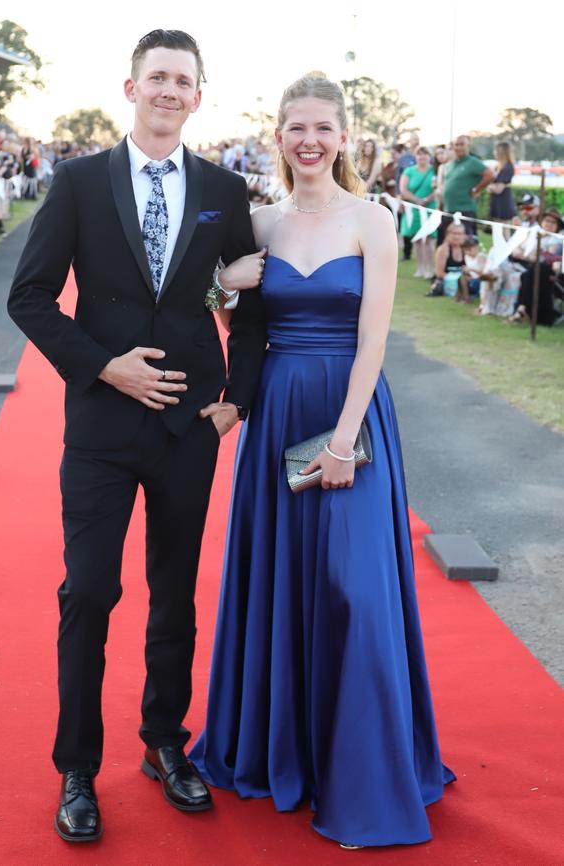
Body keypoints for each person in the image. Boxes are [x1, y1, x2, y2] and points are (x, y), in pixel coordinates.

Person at [8, 29, 266, 843]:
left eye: (183, 81)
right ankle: (77, 768)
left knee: (174, 596)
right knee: (88, 590)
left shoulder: (225, 187)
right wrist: (104, 367)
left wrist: (236, 404)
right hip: (101, 425)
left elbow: (254, 309)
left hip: (190, 426)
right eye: (157, 76)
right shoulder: (80, 181)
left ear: (197, 96)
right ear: (131, 89)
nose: (169, 90)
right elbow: (32, 297)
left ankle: (165, 743)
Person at [190, 72, 454, 849]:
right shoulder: (259, 222)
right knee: (282, 576)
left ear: (344, 138)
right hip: (276, 414)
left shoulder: (373, 220)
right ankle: (283, 751)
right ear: (278, 135)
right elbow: (210, 301)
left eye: (323, 128)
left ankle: (364, 775)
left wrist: (343, 442)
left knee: (354, 588)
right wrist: (221, 282)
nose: (309, 140)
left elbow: (374, 339)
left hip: (350, 413)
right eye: (295, 127)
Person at [508, 207, 564, 325]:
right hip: (530, 267)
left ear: (557, 226)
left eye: (553, 222)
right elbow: (517, 250)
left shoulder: (557, 239)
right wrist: (527, 253)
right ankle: (523, 310)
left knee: (530, 273)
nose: (549, 224)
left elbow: (547, 256)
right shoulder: (533, 233)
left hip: (549, 270)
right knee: (529, 273)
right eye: (547, 220)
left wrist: (527, 254)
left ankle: (521, 309)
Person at [442, 135, 493, 234]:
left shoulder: (473, 162)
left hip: (464, 210)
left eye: (462, 144)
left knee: (466, 243)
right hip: (448, 209)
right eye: (456, 145)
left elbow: (490, 175)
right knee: (448, 242)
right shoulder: (451, 164)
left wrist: (476, 189)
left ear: (468, 146)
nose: (459, 147)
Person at [399, 146, 437, 278]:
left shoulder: (434, 170)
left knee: (428, 239)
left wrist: (427, 199)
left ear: (429, 156)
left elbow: (438, 188)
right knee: (417, 239)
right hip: (413, 210)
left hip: (429, 208)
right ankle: (420, 268)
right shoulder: (409, 171)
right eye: (419, 155)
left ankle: (430, 269)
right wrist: (417, 200)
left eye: (425, 154)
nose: (422, 157)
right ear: (416, 157)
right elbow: (403, 190)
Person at [488, 141, 516, 224]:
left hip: (503, 202)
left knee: (504, 228)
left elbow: (498, 189)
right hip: (497, 201)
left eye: (496, 150)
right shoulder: (498, 167)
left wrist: (490, 186)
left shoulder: (508, 167)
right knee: (497, 228)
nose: (494, 152)